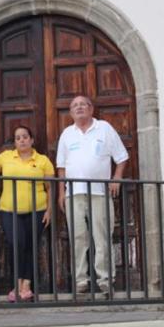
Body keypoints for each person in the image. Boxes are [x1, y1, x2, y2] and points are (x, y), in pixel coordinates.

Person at [56, 96, 128, 295]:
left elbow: (122, 157)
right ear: (71, 112)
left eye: (83, 104)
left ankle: (105, 280)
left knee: (102, 237)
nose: (79, 107)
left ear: (91, 109)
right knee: (78, 237)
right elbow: (61, 167)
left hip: (100, 193)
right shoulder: (67, 134)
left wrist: (117, 178)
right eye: (75, 105)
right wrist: (61, 192)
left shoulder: (104, 128)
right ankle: (81, 280)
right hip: (74, 193)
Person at [0, 126, 54, 302]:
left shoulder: (43, 160)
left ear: (32, 140)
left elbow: (50, 188)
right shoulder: (5, 157)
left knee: (31, 246)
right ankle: (16, 284)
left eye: (25, 137)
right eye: (18, 138)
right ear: (15, 142)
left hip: (37, 210)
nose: (22, 140)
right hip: (9, 210)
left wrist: (49, 210)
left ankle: (26, 285)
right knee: (16, 244)